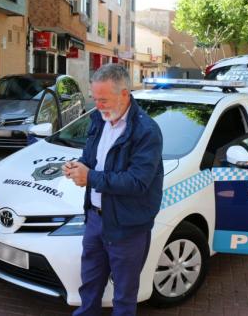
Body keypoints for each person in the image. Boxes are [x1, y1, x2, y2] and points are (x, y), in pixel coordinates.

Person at [62, 64, 164, 315]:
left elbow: (138, 182)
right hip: (96, 220)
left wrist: (91, 177)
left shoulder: (146, 131)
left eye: (103, 99)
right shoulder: (99, 119)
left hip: (127, 227)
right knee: (90, 286)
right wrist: (78, 166)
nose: (98, 105)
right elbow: (91, 158)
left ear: (125, 94)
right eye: (95, 99)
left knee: (124, 296)